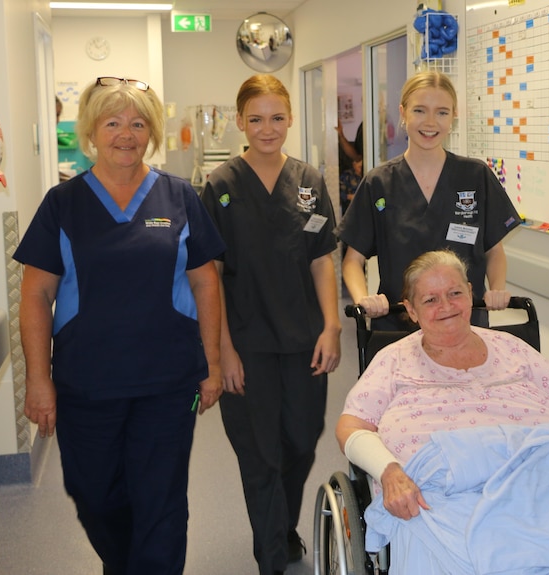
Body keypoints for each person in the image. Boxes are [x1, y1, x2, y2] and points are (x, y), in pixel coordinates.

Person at [335, 249, 549, 575]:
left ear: (471, 294)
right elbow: (352, 425)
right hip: (445, 493)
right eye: (430, 300)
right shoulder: (393, 361)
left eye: (455, 293)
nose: (446, 306)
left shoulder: (512, 348)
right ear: (411, 311)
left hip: (546, 478)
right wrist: (389, 471)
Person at [15, 76, 225, 575]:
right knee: (93, 494)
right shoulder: (62, 204)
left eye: (137, 123)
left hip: (167, 381)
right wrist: (38, 380)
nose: (125, 134)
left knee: (162, 501)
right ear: (92, 131)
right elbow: (36, 294)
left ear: (152, 132)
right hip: (86, 382)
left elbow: (207, 284)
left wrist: (212, 362)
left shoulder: (178, 198)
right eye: (112, 123)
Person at [200, 74, 342, 575]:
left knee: (301, 443)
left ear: (290, 120)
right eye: (256, 119)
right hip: (247, 343)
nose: (267, 128)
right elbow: (209, 275)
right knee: (258, 453)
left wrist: (331, 326)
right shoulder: (219, 187)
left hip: (304, 339)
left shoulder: (309, 182)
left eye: (277, 118)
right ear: (240, 122)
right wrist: (222, 351)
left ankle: (279, 527)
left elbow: (322, 258)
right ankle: (271, 554)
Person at [338, 71, 521, 330]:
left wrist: (498, 290)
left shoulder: (475, 176)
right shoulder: (378, 183)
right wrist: (363, 300)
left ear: (454, 116)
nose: (431, 122)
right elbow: (352, 260)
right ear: (403, 113)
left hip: (464, 325)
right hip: (398, 327)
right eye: (420, 111)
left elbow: (494, 251)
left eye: (442, 112)